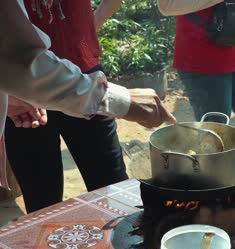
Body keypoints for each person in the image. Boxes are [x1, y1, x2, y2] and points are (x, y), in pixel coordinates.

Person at [0, 0, 177, 210]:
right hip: (22, 91)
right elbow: (17, 60)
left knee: (113, 187)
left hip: (84, 75)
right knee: (42, 200)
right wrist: (7, 90)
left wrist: (89, 28)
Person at [157, 0, 235, 147]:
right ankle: (218, 167)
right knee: (215, 136)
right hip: (201, 59)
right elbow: (166, 6)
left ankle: (233, 166)